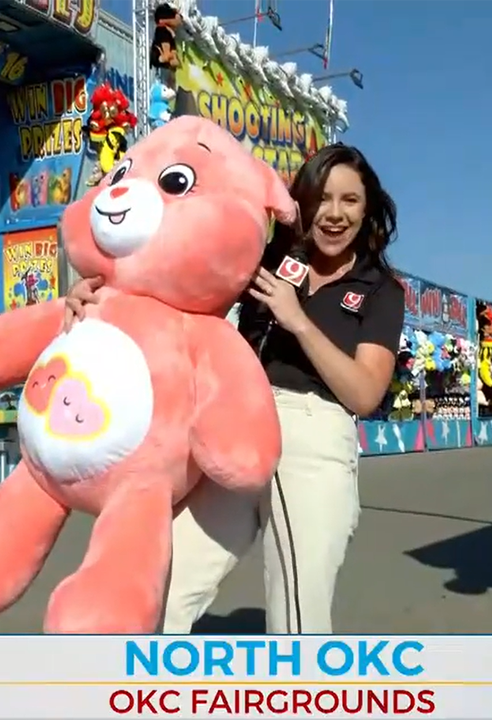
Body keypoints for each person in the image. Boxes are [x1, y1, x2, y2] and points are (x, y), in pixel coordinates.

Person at [60, 144, 405, 634]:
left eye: (349, 201)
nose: (334, 214)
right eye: (322, 199)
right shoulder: (267, 259)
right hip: (236, 427)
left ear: (367, 207)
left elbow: (365, 394)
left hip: (313, 435)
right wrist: (96, 299)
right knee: (166, 584)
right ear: (301, 205)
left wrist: (299, 321)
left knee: (298, 614)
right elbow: (181, 301)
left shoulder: (380, 289)